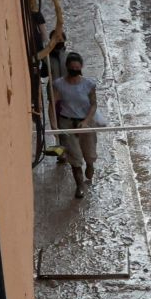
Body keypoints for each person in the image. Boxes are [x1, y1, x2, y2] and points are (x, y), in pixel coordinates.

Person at [51, 51, 99, 199]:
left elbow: (93, 105)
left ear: (81, 67)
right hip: (67, 123)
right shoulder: (59, 85)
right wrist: (54, 126)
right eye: (72, 67)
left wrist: (85, 122)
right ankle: (79, 186)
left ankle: (90, 164)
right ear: (67, 67)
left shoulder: (89, 84)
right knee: (75, 158)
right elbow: (52, 105)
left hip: (85, 123)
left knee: (89, 154)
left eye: (77, 67)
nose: (74, 70)